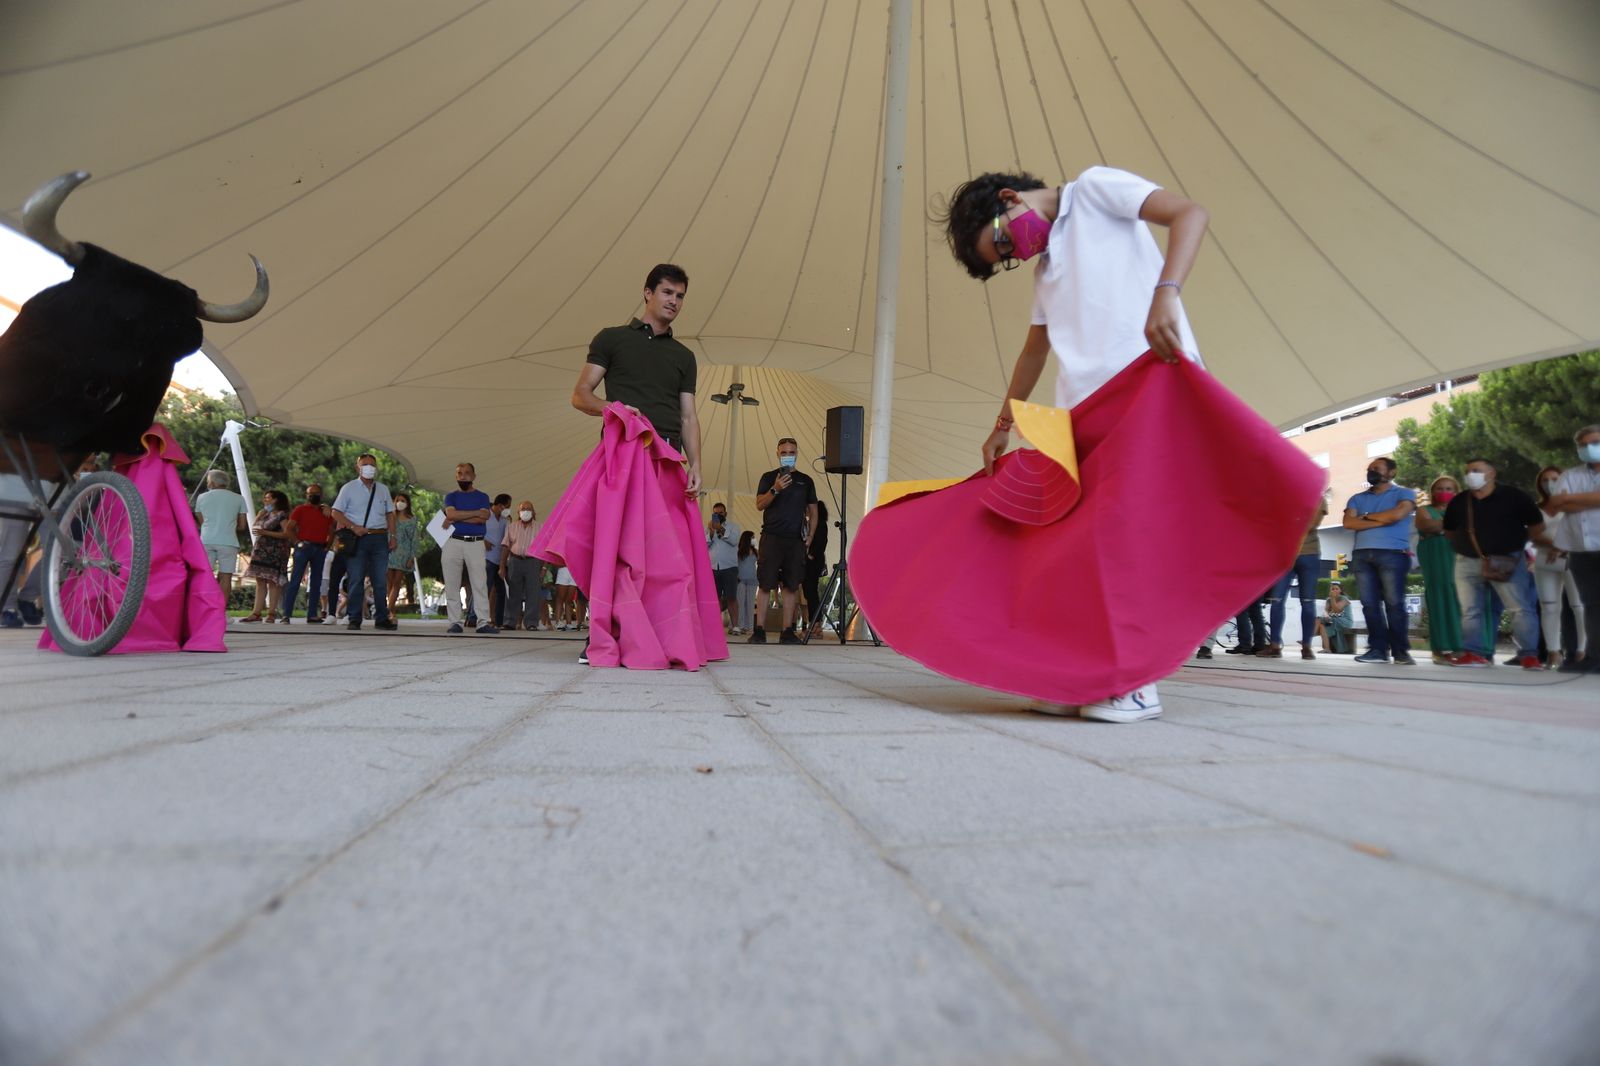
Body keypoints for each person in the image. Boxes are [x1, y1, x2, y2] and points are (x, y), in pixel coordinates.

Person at [853, 164, 1316, 723]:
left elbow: (1189, 213)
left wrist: (1166, 292)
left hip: (1150, 382)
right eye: (1004, 260)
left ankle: (1135, 683)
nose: (1014, 255)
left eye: (1002, 240)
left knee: (1121, 542)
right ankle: (1086, 675)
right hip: (1085, 416)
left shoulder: (1094, 191)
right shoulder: (1046, 270)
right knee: (1080, 548)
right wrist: (1002, 425)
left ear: (1008, 199)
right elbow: (1033, 351)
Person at [542, 262, 725, 669]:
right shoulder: (611, 339)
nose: (674, 302)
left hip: (669, 460)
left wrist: (696, 464)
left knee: (668, 558)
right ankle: (601, 635)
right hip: (623, 454)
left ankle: (661, 638)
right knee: (617, 549)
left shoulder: (684, 356)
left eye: (679, 296)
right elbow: (581, 395)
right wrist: (617, 410)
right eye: (666, 293)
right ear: (647, 293)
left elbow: (690, 416)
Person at [1440, 458, 1544, 669]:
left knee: (1520, 608)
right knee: (1470, 610)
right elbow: (1450, 531)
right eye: (1468, 471)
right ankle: (1473, 653)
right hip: (1467, 561)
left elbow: (1536, 525)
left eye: (1476, 470)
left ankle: (1529, 655)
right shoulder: (1460, 501)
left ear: (1492, 473)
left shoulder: (1514, 497)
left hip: (1507, 561)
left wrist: (1517, 548)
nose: (1471, 474)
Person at [1342, 457, 1418, 665]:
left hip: (1393, 553)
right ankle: (1377, 650)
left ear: (1392, 472)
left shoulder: (1404, 493)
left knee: (1395, 603)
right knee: (1369, 604)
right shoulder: (1356, 498)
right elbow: (1349, 522)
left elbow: (1397, 515)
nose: (1371, 471)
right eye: (1369, 469)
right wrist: (1381, 517)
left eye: (1377, 468)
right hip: (1362, 556)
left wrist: (1365, 517)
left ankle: (1401, 652)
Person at [750, 437, 817, 645]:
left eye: (791, 452)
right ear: (778, 454)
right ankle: (759, 630)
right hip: (771, 537)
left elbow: (813, 511)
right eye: (784, 453)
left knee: (791, 585)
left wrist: (810, 537)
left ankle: (787, 630)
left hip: (795, 540)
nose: (788, 456)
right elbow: (760, 504)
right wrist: (775, 488)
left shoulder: (806, 480)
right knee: (765, 584)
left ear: (797, 453)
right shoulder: (768, 476)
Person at [1546, 424, 1600, 673]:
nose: (1590, 448)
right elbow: (1558, 504)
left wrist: (1572, 499)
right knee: (1590, 604)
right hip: (1581, 548)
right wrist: (1585, 500)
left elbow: (1567, 501)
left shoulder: (1570, 481)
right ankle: (1594, 657)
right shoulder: (1570, 474)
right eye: (1584, 444)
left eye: (1595, 442)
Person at [331, 453, 399, 631]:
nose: (369, 467)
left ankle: (382, 618)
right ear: (357, 467)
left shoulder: (383, 489)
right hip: (358, 538)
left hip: (379, 537)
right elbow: (335, 512)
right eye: (365, 464)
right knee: (356, 579)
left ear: (376, 468)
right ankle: (354, 617)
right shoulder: (348, 488)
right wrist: (353, 527)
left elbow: (390, 514)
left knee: (379, 581)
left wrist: (393, 536)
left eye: (372, 464)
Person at [1260, 498, 1329, 659]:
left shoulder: (1315, 498)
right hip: (1289, 555)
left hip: (1306, 554)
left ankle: (1305, 646)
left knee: (1306, 601)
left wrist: (1287, 524)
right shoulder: (1294, 496)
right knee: (1278, 600)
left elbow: (1312, 525)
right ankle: (1277, 645)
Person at [1533, 465, 1586, 672]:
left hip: (1573, 559)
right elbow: (1534, 534)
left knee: (1579, 607)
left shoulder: (1575, 505)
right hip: (1545, 561)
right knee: (1549, 606)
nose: (1550, 483)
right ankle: (1553, 651)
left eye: (1554, 478)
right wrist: (1555, 545)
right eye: (1545, 480)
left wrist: (1563, 546)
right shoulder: (1537, 508)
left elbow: (1584, 531)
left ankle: (1582, 651)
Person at [441, 463, 498, 636]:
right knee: (451, 583)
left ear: (474, 476)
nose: (463, 476)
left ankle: (482, 622)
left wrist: (457, 518)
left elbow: (484, 518)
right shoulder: (450, 497)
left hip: (475, 543)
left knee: (479, 583)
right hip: (452, 543)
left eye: (466, 473)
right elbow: (451, 515)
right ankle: (454, 622)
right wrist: (473, 514)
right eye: (459, 473)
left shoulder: (483, 496)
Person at [1414, 476, 1465, 664]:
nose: (1444, 492)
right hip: (1435, 559)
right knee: (1439, 600)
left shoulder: (1463, 511)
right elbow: (1426, 525)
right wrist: (1454, 527)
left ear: (1456, 492)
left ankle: (1461, 647)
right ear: (1432, 492)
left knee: (1460, 600)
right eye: (1440, 488)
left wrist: (1441, 528)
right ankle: (1440, 649)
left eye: (1450, 488)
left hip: (1459, 558)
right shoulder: (1423, 510)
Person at [194, 469, 249, 603]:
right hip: (229, 542)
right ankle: (221, 611)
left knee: (204, 575)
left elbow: (201, 521)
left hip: (206, 540)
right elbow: (242, 526)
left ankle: (203, 607)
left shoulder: (201, 497)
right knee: (226, 577)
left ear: (212, 482)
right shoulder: (239, 498)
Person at [239, 490, 293, 623]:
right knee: (260, 581)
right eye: (265, 498)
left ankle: (271, 613)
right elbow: (255, 529)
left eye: (268, 498)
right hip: (260, 551)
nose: (265, 500)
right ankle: (256, 613)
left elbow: (287, 534)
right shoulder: (264, 514)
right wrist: (259, 516)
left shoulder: (282, 515)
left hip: (275, 551)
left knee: (272, 582)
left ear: (276, 500)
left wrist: (266, 532)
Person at [281, 482, 331, 624]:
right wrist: (297, 542)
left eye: (315, 494)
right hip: (304, 547)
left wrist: (328, 544)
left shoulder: (326, 511)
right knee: (295, 581)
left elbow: (332, 528)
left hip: (320, 548)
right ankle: (286, 614)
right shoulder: (300, 509)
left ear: (321, 495)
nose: (312, 496)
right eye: (310, 494)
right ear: (306, 495)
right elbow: (289, 528)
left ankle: (312, 615)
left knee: (316, 582)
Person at [501, 501, 541, 630]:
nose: (526, 511)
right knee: (512, 592)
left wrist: (544, 567)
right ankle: (509, 621)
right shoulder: (511, 526)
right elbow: (505, 546)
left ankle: (531, 623)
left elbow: (544, 548)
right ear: (518, 512)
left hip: (533, 562)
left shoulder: (540, 527)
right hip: (515, 561)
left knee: (533, 593)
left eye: (529, 509)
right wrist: (502, 566)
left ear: (534, 512)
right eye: (523, 509)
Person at [706, 502, 742, 633]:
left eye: (720, 513)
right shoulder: (709, 527)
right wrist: (711, 532)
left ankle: (735, 626)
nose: (718, 515)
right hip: (713, 568)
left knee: (731, 597)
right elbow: (704, 547)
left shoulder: (733, 527)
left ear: (725, 513)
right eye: (715, 513)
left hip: (730, 567)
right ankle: (714, 626)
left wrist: (720, 528)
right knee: (714, 598)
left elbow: (734, 541)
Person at [386, 491, 421, 616]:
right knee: (389, 583)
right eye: (397, 500)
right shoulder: (389, 517)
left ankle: (387, 609)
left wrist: (412, 557)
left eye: (403, 501)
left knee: (396, 583)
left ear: (407, 503)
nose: (399, 503)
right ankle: (392, 612)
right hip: (389, 552)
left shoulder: (412, 520)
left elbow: (415, 539)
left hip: (403, 554)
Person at [802, 499, 830, 638]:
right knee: (810, 593)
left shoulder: (819, 524)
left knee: (811, 594)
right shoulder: (817, 523)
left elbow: (821, 542)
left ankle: (816, 625)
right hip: (812, 561)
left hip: (813, 562)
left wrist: (811, 554)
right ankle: (815, 624)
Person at [484, 493, 511, 628]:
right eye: (508, 506)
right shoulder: (485, 515)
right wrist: (483, 541)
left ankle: (499, 620)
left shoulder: (505, 520)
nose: (508, 509)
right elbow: (475, 531)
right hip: (486, 558)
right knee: (484, 588)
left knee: (501, 591)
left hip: (500, 560)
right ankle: (476, 618)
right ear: (500, 505)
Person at [1316, 581, 1355, 653]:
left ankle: (1308, 639)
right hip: (1333, 620)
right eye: (1332, 589)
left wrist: (1333, 598)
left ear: (1340, 590)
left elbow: (1337, 610)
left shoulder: (1344, 599)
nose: (1334, 590)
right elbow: (1326, 611)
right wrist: (1326, 615)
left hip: (1345, 621)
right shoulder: (1328, 600)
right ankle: (1327, 649)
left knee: (1319, 620)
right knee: (1321, 624)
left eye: (1337, 589)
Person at [735, 530, 759, 635]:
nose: (754, 539)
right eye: (752, 537)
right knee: (740, 603)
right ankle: (741, 626)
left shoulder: (755, 551)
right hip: (741, 580)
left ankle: (750, 627)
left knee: (750, 604)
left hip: (753, 580)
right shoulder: (738, 551)